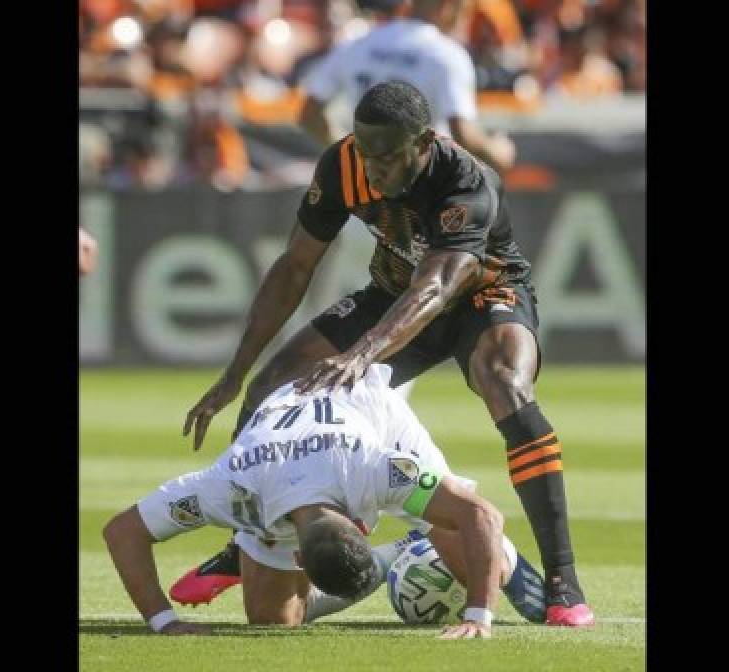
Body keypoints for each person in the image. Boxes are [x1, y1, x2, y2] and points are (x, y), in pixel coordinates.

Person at [173, 80, 593, 627]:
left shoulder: (466, 181)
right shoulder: (344, 164)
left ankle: (562, 578)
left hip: (482, 295)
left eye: (390, 157)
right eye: (368, 153)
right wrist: (235, 373)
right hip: (393, 293)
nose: (375, 169)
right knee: (274, 384)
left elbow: (439, 287)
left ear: (425, 143)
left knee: (506, 385)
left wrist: (364, 353)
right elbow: (295, 265)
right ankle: (247, 539)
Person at [104, 364, 549, 638]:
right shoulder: (231, 487)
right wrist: (163, 624)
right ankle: (397, 553)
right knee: (272, 621)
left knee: (474, 554)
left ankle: (421, 540)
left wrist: (479, 615)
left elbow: (482, 515)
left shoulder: (380, 467)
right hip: (282, 451)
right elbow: (121, 532)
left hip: (370, 412)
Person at [298, 0, 516, 175]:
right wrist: (499, 151)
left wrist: (356, 155)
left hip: (365, 197)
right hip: (422, 194)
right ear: (448, 6)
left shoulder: (357, 45)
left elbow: (309, 115)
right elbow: (465, 136)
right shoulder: (446, 55)